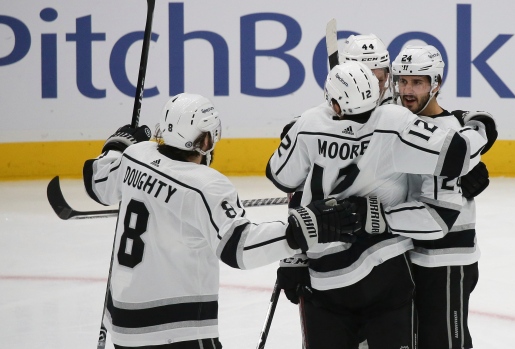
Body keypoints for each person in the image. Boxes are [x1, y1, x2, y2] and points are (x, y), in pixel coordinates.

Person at [82, 93, 360, 349]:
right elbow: (239, 247)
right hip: (178, 329)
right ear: (205, 142)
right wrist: (307, 228)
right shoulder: (206, 185)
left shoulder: (136, 156)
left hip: (122, 326)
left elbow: (97, 181)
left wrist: (117, 145)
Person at [267, 61, 495, 348]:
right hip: (386, 264)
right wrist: (480, 128)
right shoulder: (392, 119)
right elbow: (457, 154)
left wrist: (293, 256)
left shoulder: (308, 123)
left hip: (325, 271)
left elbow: (283, 179)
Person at [391, 45, 496, 349]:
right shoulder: (398, 123)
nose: (407, 90)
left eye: (418, 83)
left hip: (447, 258)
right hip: (411, 253)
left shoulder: (454, 135)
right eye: (403, 81)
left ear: (435, 84)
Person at [340, 33, 393, 105]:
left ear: (386, 76)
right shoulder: (325, 115)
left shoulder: (399, 111)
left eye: (379, 81)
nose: (373, 91)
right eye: (364, 82)